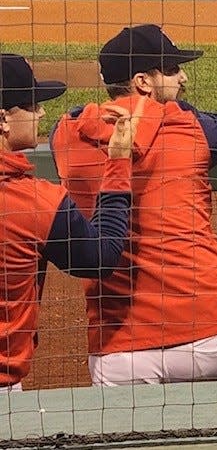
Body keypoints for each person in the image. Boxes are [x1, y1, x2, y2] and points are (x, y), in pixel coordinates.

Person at [50, 24, 217, 386]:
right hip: (208, 340)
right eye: (173, 70)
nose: (184, 77)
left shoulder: (67, 134)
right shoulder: (190, 127)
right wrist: (164, 107)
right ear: (143, 81)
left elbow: (73, 117)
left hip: (120, 354)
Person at [1, 53, 140, 391]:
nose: (42, 112)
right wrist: (118, 163)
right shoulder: (33, 202)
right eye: (32, 105)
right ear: (3, 119)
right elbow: (101, 257)